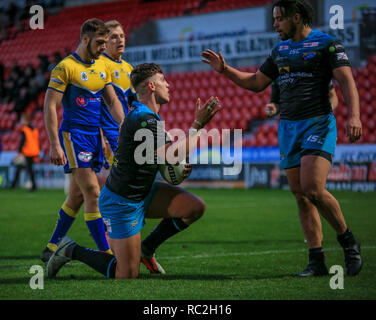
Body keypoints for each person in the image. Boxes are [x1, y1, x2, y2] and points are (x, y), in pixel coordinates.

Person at [201, 0, 362, 277]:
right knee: (300, 195)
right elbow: (256, 83)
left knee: (312, 188)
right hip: (288, 128)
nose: (275, 24)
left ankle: (348, 241)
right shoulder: (279, 51)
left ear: (296, 17)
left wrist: (355, 116)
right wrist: (225, 70)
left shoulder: (327, 44)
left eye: (279, 19)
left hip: (318, 123)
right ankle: (317, 261)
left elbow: (346, 81)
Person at [46, 63, 221, 279]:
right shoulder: (143, 118)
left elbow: (165, 157)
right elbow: (172, 156)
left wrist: (175, 170)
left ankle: (146, 250)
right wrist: (197, 125)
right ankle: (70, 249)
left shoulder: (148, 117)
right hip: (121, 201)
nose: (169, 84)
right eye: (163, 80)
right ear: (151, 86)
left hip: (143, 192)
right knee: (126, 274)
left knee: (194, 208)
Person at [40, 19, 125, 263]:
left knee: (77, 196)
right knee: (93, 192)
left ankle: (51, 246)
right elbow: (50, 105)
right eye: (99, 42)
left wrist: (124, 124)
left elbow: (112, 101)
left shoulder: (103, 67)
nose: (103, 47)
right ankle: (106, 252)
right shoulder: (65, 67)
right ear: (85, 39)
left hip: (94, 137)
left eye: (105, 42)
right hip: (74, 136)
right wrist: (55, 144)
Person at [99, 20, 136, 173]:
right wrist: (99, 135)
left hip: (124, 134)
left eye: (122, 36)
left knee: (82, 192)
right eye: (114, 37)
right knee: (123, 180)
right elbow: (90, 104)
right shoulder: (97, 65)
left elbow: (135, 104)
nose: (120, 40)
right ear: (104, 42)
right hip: (107, 135)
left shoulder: (129, 68)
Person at [266, 80, 338, 117]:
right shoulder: (278, 73)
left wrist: (326, 110)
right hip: (291, 128)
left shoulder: (318, 68)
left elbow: (333, 96)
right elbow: (276, 103)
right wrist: (273, 109)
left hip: (316, 124)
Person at [10, 112, 40, 191]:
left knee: (29, 169)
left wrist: (19, 152)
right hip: (34, 151)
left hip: (27, 152)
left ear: (26, 121)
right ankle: (13, 184)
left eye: (22, 120)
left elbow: (22, 142)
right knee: (21, 168)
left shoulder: (25, 130)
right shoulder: (35, 130)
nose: (21, 121)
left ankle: (33, 186)